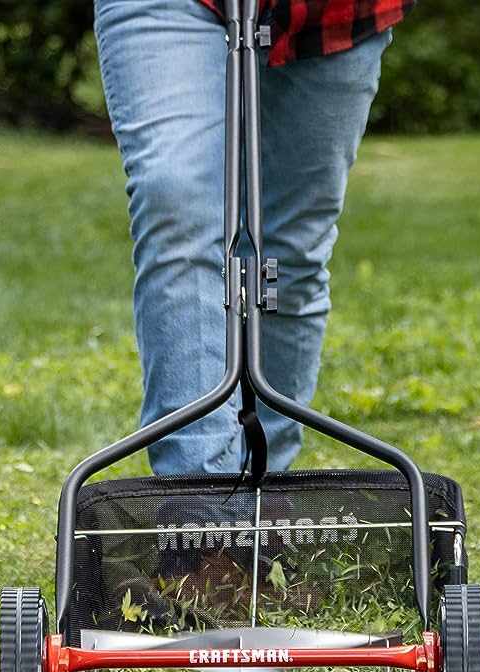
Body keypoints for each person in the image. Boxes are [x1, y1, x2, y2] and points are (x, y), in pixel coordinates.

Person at [94, 0, 414, 476]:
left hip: (332, 13)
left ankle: (264, 492)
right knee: (176, 200)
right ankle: (201, 517)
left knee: (289, 257)